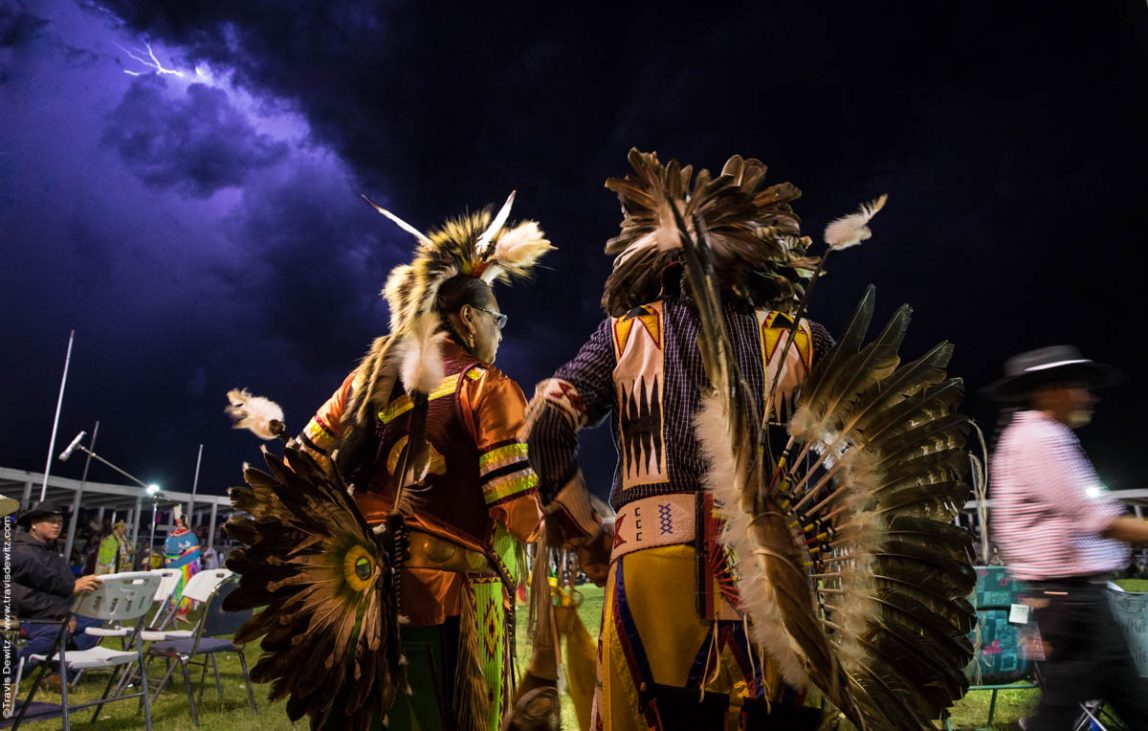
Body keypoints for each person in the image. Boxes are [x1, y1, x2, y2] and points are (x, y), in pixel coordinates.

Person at [523, 150, 836, 729]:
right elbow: (871, 438)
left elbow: (546, 420)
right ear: (758, 256)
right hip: (772, 571)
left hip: (652, 568)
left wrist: (584, 532)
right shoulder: (801, 341)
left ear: (660, 260)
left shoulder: (625, 335)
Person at [278, 197, 553, 730]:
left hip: (355, 604)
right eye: (499, 318)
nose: (501, 331)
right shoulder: (485, 387)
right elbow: (517, 511)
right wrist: (570, 529)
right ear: (471, 318)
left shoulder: (366, 382)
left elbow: (297, 467)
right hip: (445, 607)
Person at [986, 344, 1148, 729]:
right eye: (1080, 386)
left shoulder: (1031, 437)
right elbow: (1099, 520)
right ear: (1049, 390)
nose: (1089, 397)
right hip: (1070, 600)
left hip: (1069, 598)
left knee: (1101, 702)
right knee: (1069, 709)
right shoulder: (1041, 439)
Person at [10, 501, 102, 678]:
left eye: (59, 522)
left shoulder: (51, 552)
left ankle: (62, 674)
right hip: (29, 616)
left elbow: (65, 587)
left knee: (94, 622)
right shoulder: (21, 553)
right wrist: (62, 614)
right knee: (57, 631)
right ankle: (13, 674)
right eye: (51, 521)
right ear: (34, 524)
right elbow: (22, 597)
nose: (57, 525)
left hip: (56, 613)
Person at [164, 507, 201, 619]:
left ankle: (172, 611)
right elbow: (194, 553)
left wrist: (171, 561)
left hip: (171, 566)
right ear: (187, 522)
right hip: (185, 567)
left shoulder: (170, 536)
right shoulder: (190, 536)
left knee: (173, 587)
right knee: (184, 587)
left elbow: (166, 551)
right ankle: (181, 612)